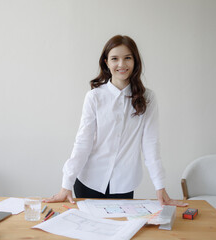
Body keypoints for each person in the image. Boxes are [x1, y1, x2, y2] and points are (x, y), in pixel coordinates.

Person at [44, 35, 187, 207]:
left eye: (127, 58)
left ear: (135, 61)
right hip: (89, 181)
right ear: (106, 62)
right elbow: (83, 142)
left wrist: (160, 186)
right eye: (114, 59)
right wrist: (66, 185)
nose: (121, 64)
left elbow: (150, 144)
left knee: (120, 232)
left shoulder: (147, 98)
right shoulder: (94, 97)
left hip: (124, 184)